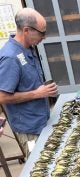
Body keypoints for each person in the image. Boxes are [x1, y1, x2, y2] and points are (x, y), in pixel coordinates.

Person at [0, 8, 58, 159]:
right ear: (26, 30)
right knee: (39, 168)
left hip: (41, 119)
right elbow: (2, 97)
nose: (44, 37)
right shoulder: (10, 57)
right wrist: (38, 93)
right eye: (41, 33)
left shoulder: (29, 48)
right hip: (29, 130)